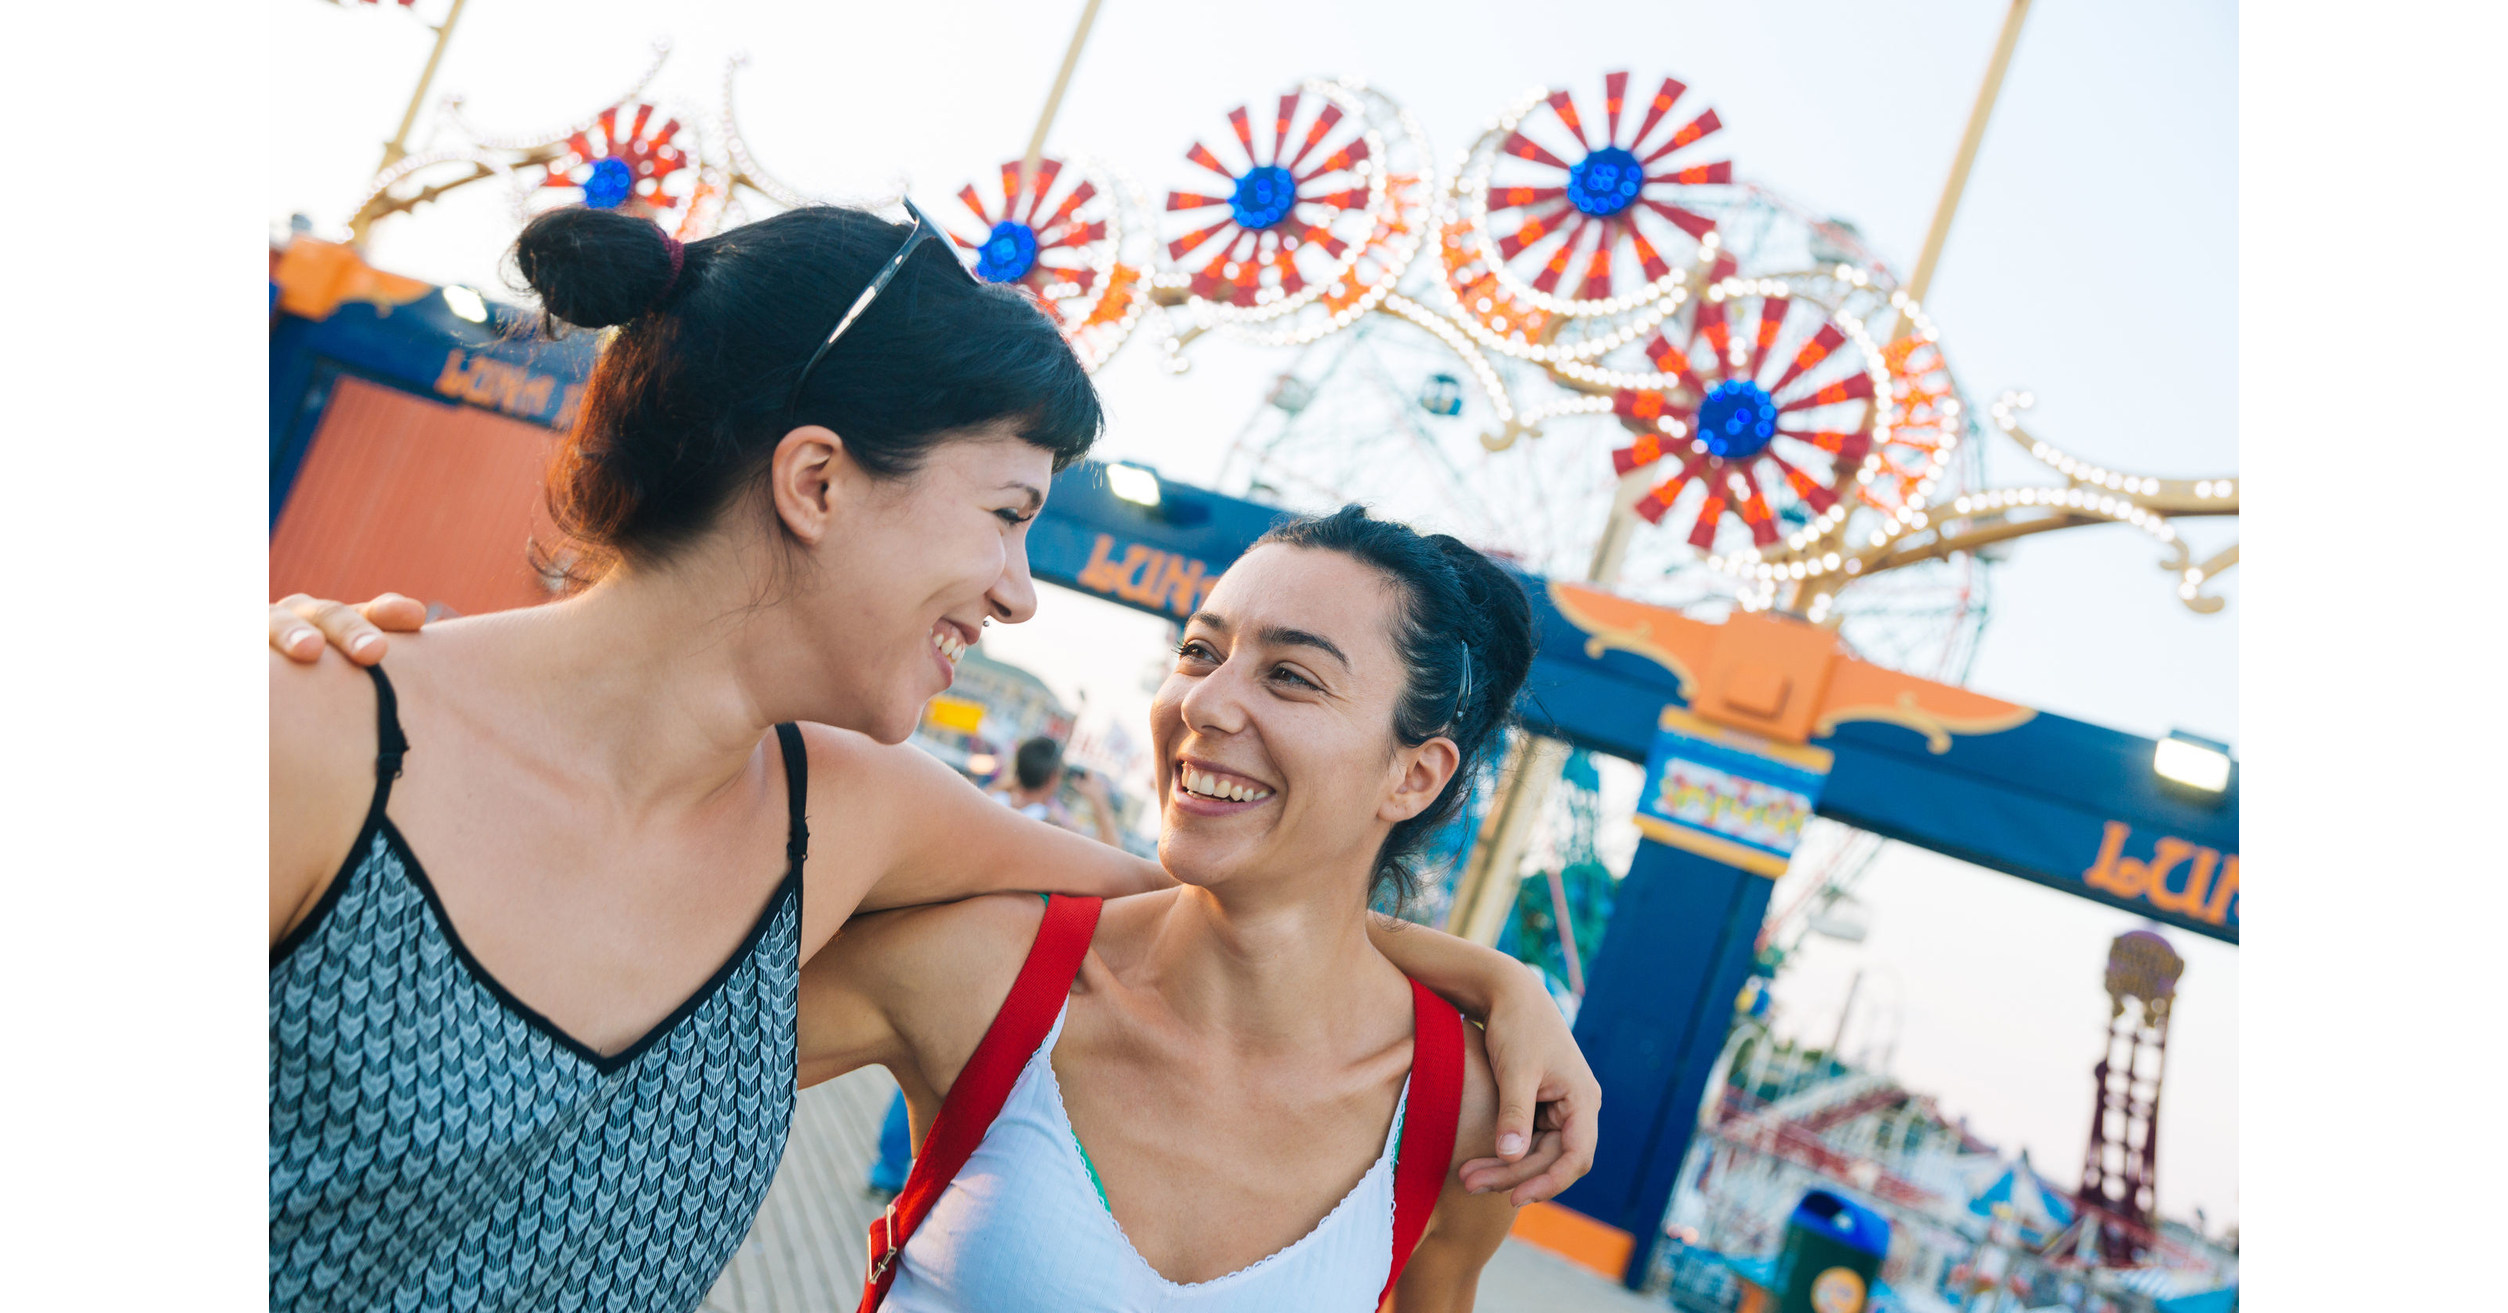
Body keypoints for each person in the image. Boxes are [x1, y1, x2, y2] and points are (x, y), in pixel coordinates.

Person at [268, 203, 1597, 1313]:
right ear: (818, 484)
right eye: (1010, 513)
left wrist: (1498, 980)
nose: (1021, 593)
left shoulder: (844, 820)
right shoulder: (318, 737)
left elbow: (1220, 905)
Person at [808, 506, 1538, 1310]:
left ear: (1415, 775)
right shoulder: (996, 971)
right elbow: (670, 1060)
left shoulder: (1463, 1115)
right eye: (1199, 651)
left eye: (1290, 675)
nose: (1206, 703)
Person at [991, 735, 1121, 846]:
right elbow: (1114, 855)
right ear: (1053, 778)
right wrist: (1100, 802)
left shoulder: (992, 803)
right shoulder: (1053, 828)